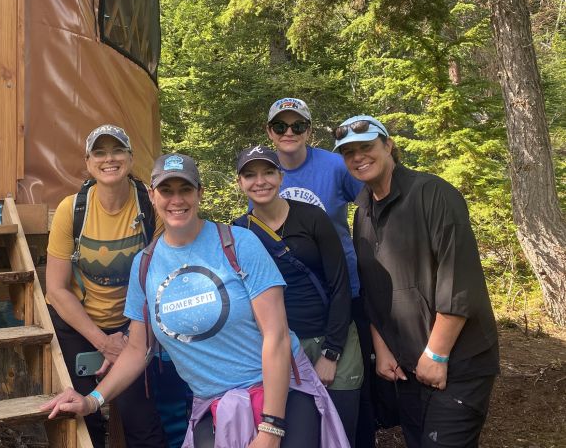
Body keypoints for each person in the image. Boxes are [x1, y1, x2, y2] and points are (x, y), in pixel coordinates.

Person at [45, 153, 349, 448]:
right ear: (152, 195)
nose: (176, 200)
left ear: (199, 193)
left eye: (185, 189)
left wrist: (271, 426)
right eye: (166, 190)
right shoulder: (146, 265)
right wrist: (91, 401)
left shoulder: (238, 244)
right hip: (215, 400)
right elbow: (138, 349)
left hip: (280, 391)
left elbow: (277, 335)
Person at [334, 115, 499, 448]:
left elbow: (459, 281)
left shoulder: (432, 194)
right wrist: (382, 350)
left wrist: (436, 355)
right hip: (406, 367)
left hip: (457, 362)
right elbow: (371, 289)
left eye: (366, 147)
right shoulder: (362, 211)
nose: (358, 157)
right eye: (349, 152)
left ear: (389, 146)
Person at [45, 124, 166, 448]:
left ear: (130, 157)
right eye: (100, 152)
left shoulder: (151, 209)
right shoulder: (72, 210)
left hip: (134, 322)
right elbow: (56, 289)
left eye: (117, 151)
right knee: (84, 416)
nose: (109, 159)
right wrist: (104, 343)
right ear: (88, 162)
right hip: (80, 322)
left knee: (138, 414)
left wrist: (127, 339)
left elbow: (158, 283)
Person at [233, 145, 363, 446]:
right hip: (284, 350)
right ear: (240, 183)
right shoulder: (239, 232)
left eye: (268, 172)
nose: (260, 181)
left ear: (281, 176)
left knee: (343, 433)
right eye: (250, 175)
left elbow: (340, 283)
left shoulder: (311, 217)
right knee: (300, 435)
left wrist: (332, 352)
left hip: (337, 338)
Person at [265, 97, 375, 446]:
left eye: (298, 125)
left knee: (355, 386)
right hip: (294, 298)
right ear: (270, 132)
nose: (289, 132)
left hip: (346, 289)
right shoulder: (264, 174)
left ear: (309, 130)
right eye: (281, 126)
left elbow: (373, 207)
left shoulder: (334, 166)